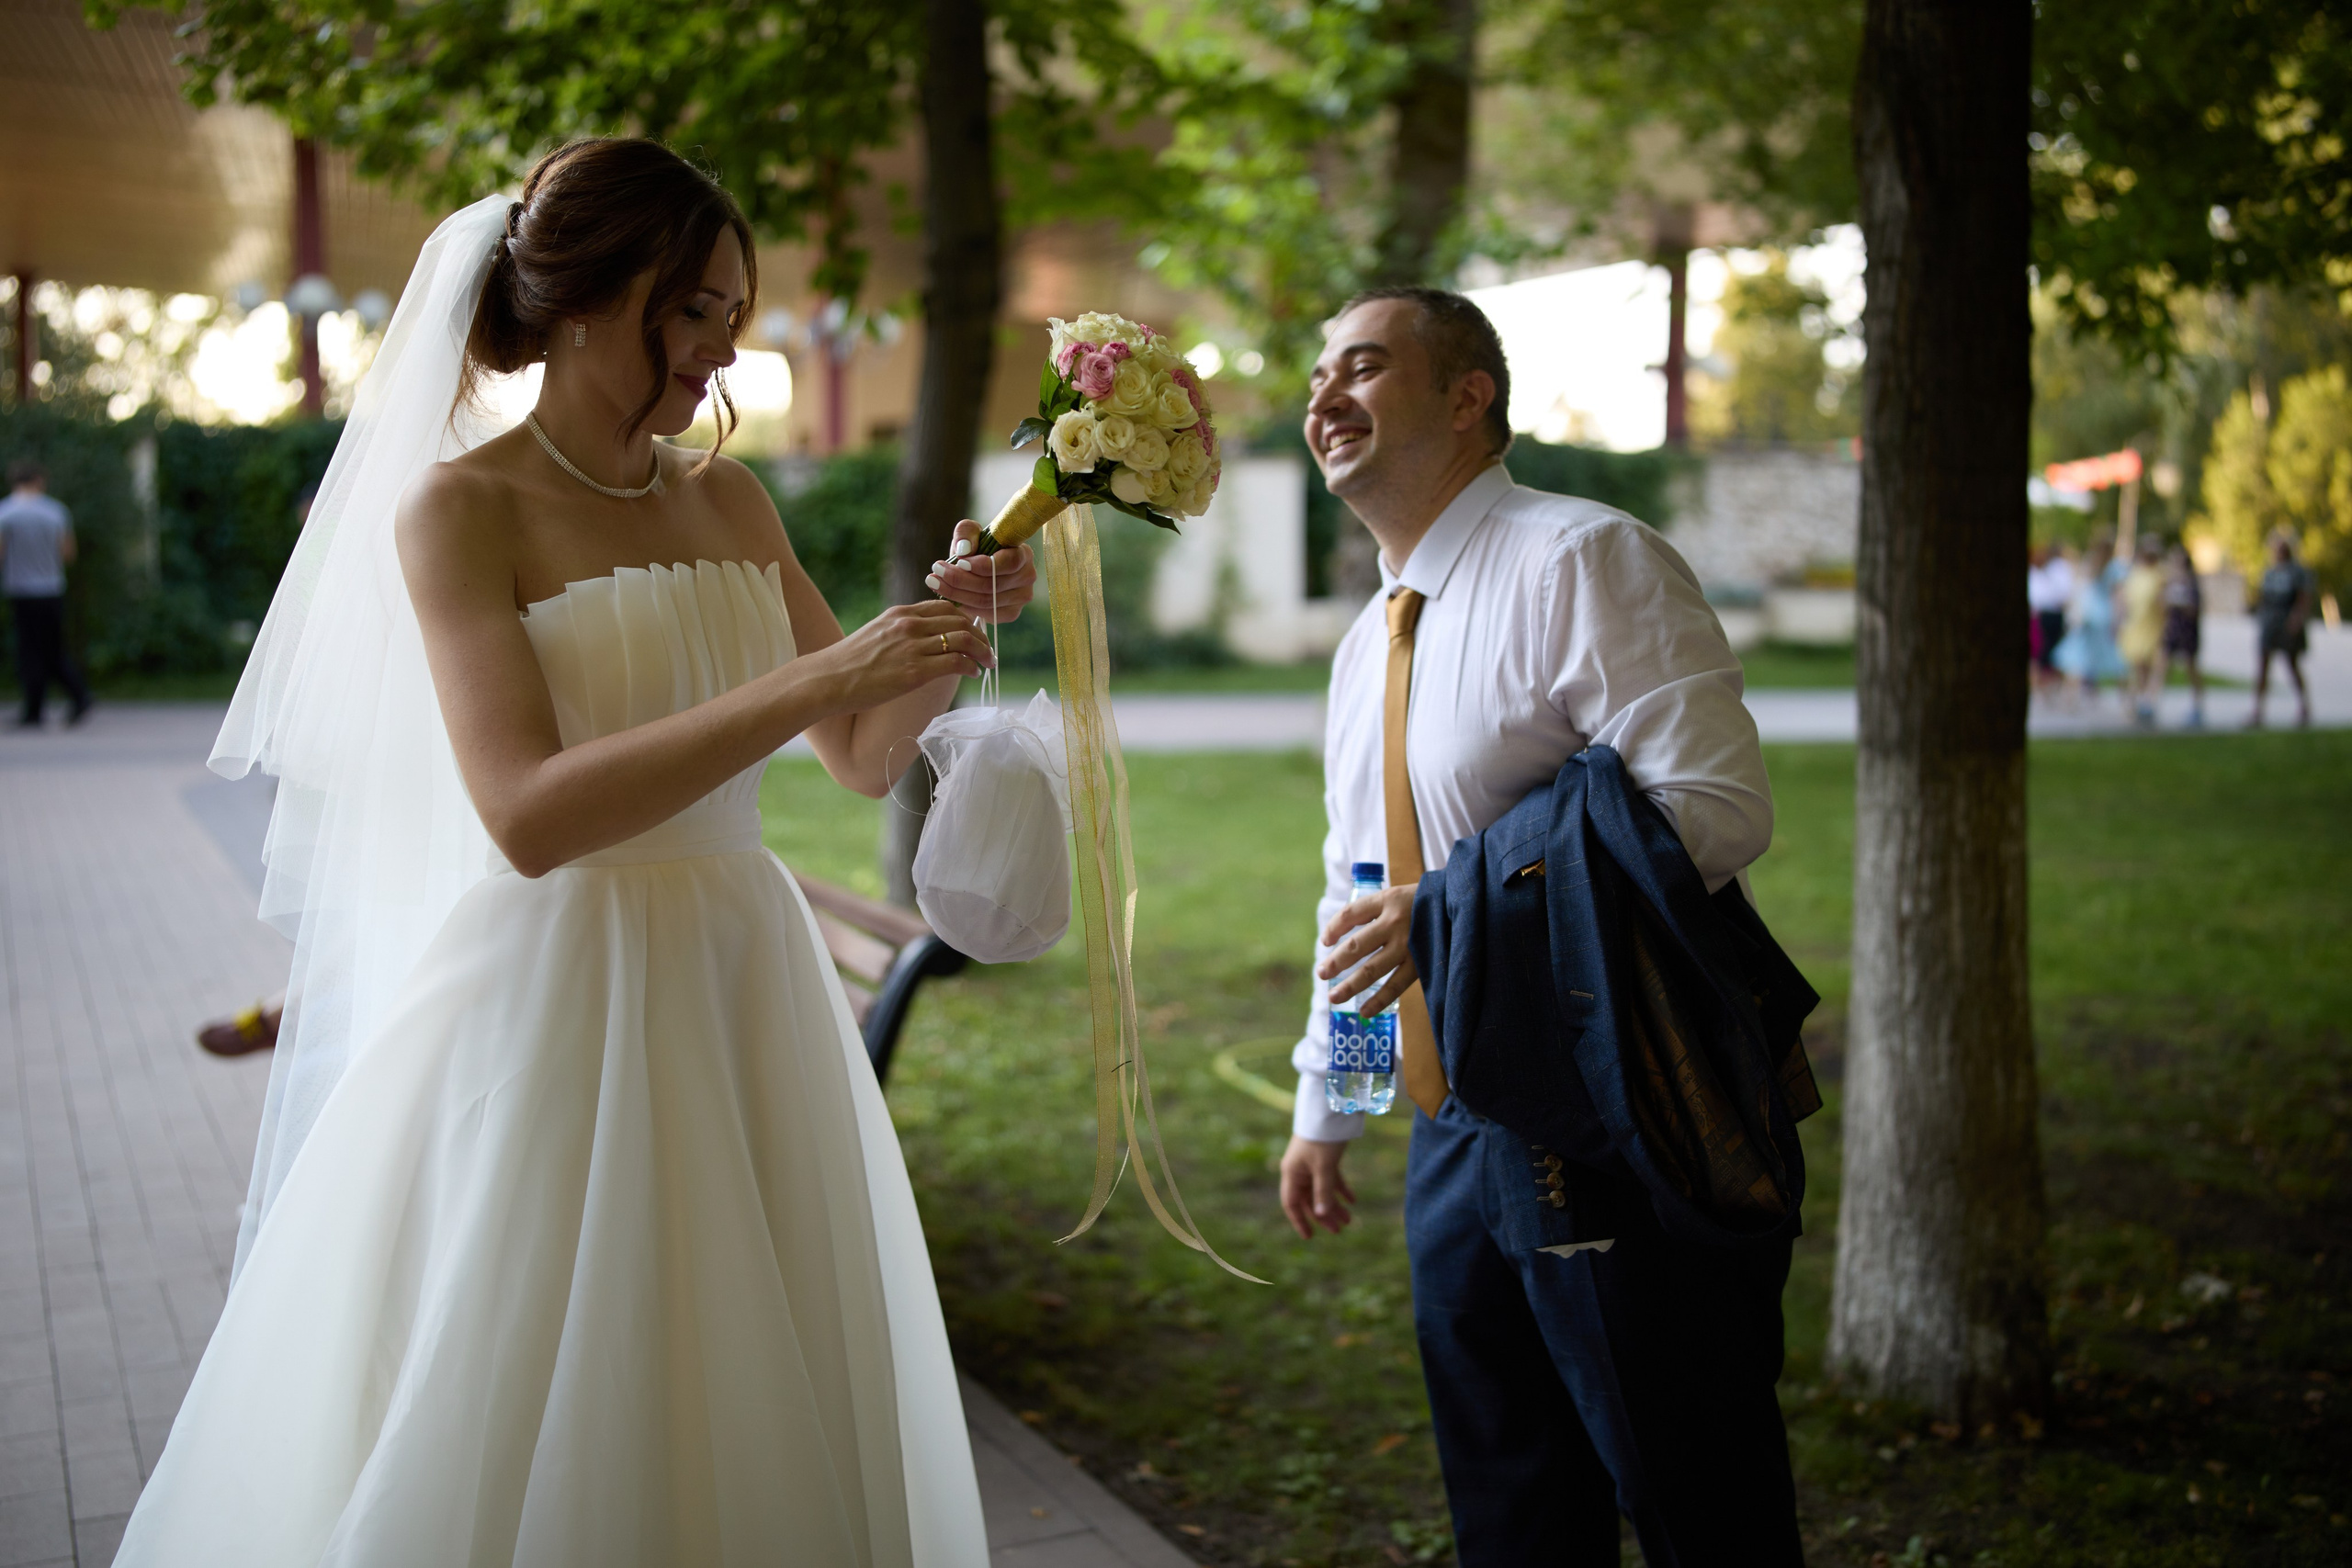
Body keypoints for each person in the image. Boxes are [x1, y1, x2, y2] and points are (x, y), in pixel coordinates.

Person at [116, 139, 1030, 1566]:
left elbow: (857, 757)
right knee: (549, 1371)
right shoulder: (461, 509)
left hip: (744, 980)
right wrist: (813, 679)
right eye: (698, 311)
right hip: (562, 994)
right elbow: (529, 813)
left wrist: (938, 631)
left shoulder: (729, 497)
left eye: (736, 314)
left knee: (748, 1357)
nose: (725, 351)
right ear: (592, 296)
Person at [1275, 288, 1794, 1564]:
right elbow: (1360, 889)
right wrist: (1329, 1104)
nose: (1323, 398)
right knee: (1511, 1507)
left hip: (1614, 1104)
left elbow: (1715, 808)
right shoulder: (1365, 645)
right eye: (1315, 377)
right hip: (1453, 1135)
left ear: (1469, 397)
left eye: (1365, 367)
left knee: (1694, 1488)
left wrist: (1450, 910)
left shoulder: (1584, 559)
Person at [0, 458, 95, 728]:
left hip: (21, 589)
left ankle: (34, 710)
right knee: (53, 649)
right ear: (39, 480)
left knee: (29, 651)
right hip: (51, 588)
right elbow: (68, 553)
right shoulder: (55, 512)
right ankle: (78, 695)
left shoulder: (5, 513)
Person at [2248, 531, 2316, 728]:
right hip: (2270, 624)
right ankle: (2258, 711)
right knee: (2262, 667)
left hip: (2288, 624)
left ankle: (2304, 708)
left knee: (2292, 666)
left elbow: (2304, 598)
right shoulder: (2269, 572)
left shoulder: (2298, 572)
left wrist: (2297, 619)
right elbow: (2263, 598)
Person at [2051, 530, 2125, 702]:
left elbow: (2080, 589)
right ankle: (2127, 701)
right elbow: (2117, 596)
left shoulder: (2092, 564)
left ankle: (2069, 697)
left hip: (2089, 613)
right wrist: (2119, 618)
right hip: (2104, 615)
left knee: (2079, 654)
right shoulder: (2114, 567)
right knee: (2113, 656)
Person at [2116, 534, 2166, 726]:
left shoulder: (2159, 575)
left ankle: (2146, 702)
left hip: (2152, 626)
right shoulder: (2135, 574)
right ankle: (2137, 702)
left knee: (2150, 666)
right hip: (2136, 626)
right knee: (2136, 665)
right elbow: (2124, 599)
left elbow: (2162, 604)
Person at [2157, 543, 2205, 728]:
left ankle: (2197, 707)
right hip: (2172, 628)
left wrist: (2180, 605)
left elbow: (2196, 609)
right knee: (2162, 665)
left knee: (2191, 667)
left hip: (2187, 629)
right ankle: (2151, 703)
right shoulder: (2169, 581)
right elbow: (2162, 605)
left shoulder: (2192, 582)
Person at [2027, 540, 2073, 699]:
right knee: (2043, 650)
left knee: (2045, 650)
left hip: (2046, 614)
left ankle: (2045, 682)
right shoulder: (2048, 570)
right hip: (2045, 614)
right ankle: (2043, 682)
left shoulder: (2048, 571)